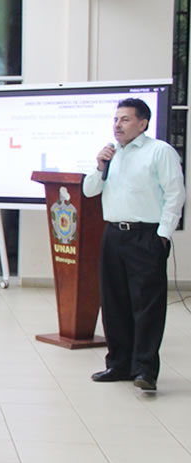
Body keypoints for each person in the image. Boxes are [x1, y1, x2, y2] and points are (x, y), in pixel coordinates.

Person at [84, 98, 187, 392]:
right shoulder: (112, 154)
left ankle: (145, 369)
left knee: (146, 305)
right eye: (116, 119)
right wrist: (100, 165)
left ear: (143, 123)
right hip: (114, 235)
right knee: (114, 302)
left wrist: (163, 235)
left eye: (125, 119)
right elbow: (90, 191)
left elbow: (174, 195)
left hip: (147, 235)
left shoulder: (160, 152)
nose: (118, 125)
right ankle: (118, 364)